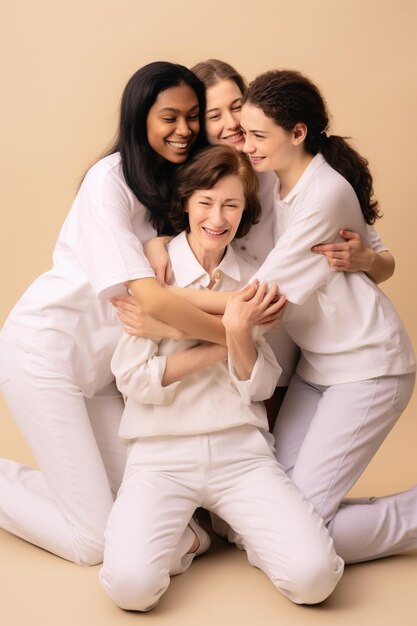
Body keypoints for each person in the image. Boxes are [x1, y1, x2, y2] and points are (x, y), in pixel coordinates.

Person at [99, 145, 343, 611]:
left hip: (241, 455)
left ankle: (238, 529)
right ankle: (194, 536)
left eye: (231, 205)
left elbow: (261, 385)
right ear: (187, 201)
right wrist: (225, 339)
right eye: (207, 202)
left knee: (314, 580)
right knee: (130, 588)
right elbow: (134, 379)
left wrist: (208, 330)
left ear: (244, 212)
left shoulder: (256, 281)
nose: (217, 217)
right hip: (160, 455)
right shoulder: (151, 273)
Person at [0, 61, 215, 565]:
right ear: (140, 118)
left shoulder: (170, 184)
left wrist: (163, 237)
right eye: (169, 117)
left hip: (98, 377)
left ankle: (51, 488)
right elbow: (154, 299)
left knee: (166, 511)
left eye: (192, 116)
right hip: (44, 356)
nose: (183, 129)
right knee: (94, 543)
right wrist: (230, 335)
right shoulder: (109, 180)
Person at [199, 68, 415, 564]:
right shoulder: (274, 182)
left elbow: (259, 299)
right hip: (315, 369)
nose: (244, 142)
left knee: (288, 534)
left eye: (257, 134)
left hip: (368, 368)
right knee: (260, 518)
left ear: (298, 133)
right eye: (239, 129)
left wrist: (160, 307)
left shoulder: (323, 192)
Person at [124, 59, 395, 429]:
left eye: (237, 107)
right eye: (214, 114)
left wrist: (171, 315)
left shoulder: (285, 170)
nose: (232, 124)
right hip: (246, 348)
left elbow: (381, 260)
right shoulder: (204, 179)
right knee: (283, 476)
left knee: (295, 479)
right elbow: (193, 238)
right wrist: (160, 243)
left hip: (286, 342)